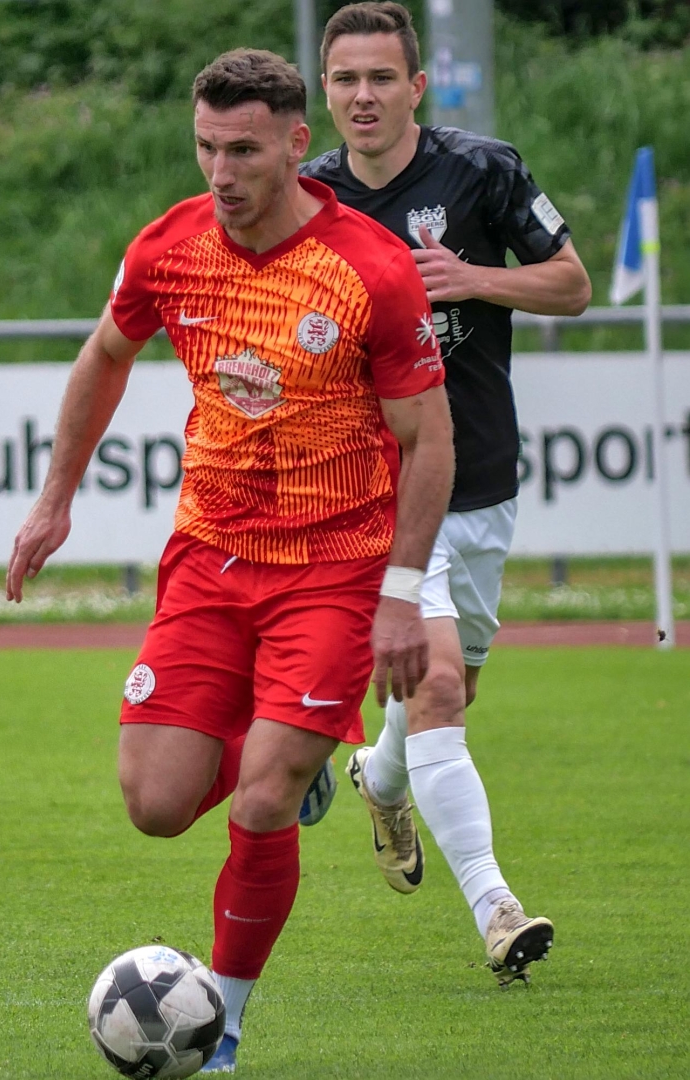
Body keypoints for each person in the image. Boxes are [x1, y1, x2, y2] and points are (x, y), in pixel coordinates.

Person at [6, 48, 454, 1072]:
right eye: (206, 147)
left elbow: (427, 439)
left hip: (334, 568)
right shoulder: (170, 246)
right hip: (209, 555)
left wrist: (398, 594)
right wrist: (54, 499)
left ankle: (225, 1025)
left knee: (257, 803)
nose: (221, 171)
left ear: (296, 144)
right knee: (156, 806)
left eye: (243, 150)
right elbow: (105, 354)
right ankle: (294, 760)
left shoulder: (369, 268)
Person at [300, 1, 592, 989]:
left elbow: (571, 285)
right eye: (346, 79)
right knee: (431, 687)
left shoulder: (481, 171)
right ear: (325, 90)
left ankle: (379, 778)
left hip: (481, 477)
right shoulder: (307, 201)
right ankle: (496, 911)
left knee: (449, 689)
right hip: (375, 489)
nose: (363, 96)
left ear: (415, 86)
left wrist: (470, 278)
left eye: (381, 77)